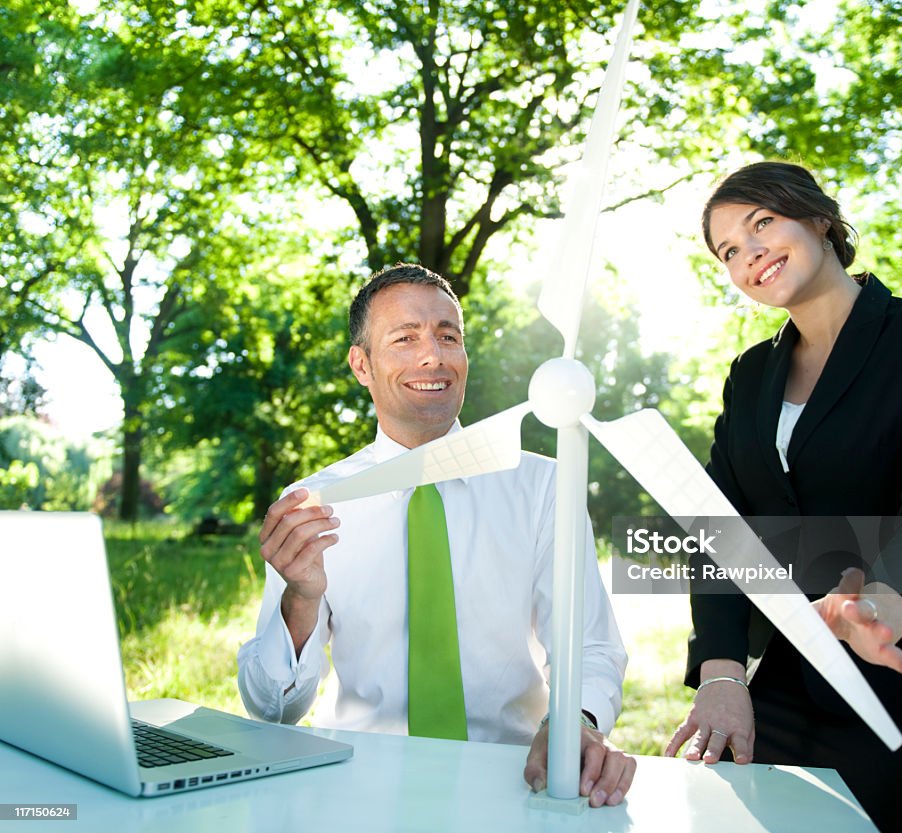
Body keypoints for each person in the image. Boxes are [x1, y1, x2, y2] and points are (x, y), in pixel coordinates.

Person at [664, 162, 902, 833]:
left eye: (762, 223)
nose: (748, 251)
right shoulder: (751, 374)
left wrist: (887, 602)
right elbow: (719, 530)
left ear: (819, 217)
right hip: (788, 679)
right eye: (729, 249)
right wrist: (724, 675)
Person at [237, 263, 635, 807]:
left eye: (449, 336)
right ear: (362, 364)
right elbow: (274, 710)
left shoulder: (545, 486)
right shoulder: (313, 503)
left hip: (516, 779)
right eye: (405, 338)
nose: (434, 356)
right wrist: (300, 599)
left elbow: (588, 645)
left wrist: (575, 725)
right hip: (356, 781)